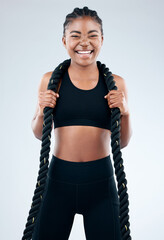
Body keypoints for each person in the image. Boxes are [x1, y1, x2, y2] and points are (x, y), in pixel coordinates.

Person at [21, 6, 133, 240]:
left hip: (101, 182)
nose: (85, 42)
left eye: (92, 35)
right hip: (58, 181)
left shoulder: (116, 84)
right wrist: (42, 111)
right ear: (64, 41)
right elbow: (38, 134)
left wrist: (126, 112)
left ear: (101, 39)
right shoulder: (51, 80)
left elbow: (121, 143)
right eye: (76, 35)